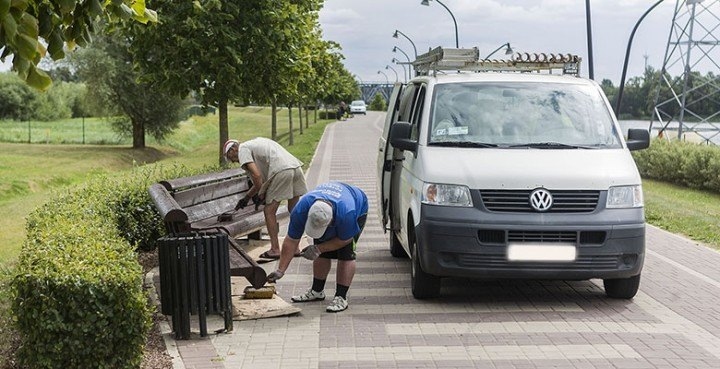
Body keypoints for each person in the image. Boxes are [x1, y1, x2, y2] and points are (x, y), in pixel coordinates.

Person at [266, 182, 368, 313]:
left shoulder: (347, 213)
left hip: (358, 203)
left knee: (346, 254)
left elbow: (345, 239)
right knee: (320, 249)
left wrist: (319, 248)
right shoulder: (302, 208)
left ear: (331, 221)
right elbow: (291, 240)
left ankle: (341, 297)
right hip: (328, 205)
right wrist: (281, 270)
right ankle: (317, 291)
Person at [223, 137, 307, 259]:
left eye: (230, 157)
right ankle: (295, 248)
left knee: (269, 211)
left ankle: (275, 249)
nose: (233, 161)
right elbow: (260, 178)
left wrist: (261, 194)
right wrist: (247, 198)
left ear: (233, 149)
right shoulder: (255, 144)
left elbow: (257, 177)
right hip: (295, 168)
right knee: (294, 210)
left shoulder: (243, 150)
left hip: (282, 171)